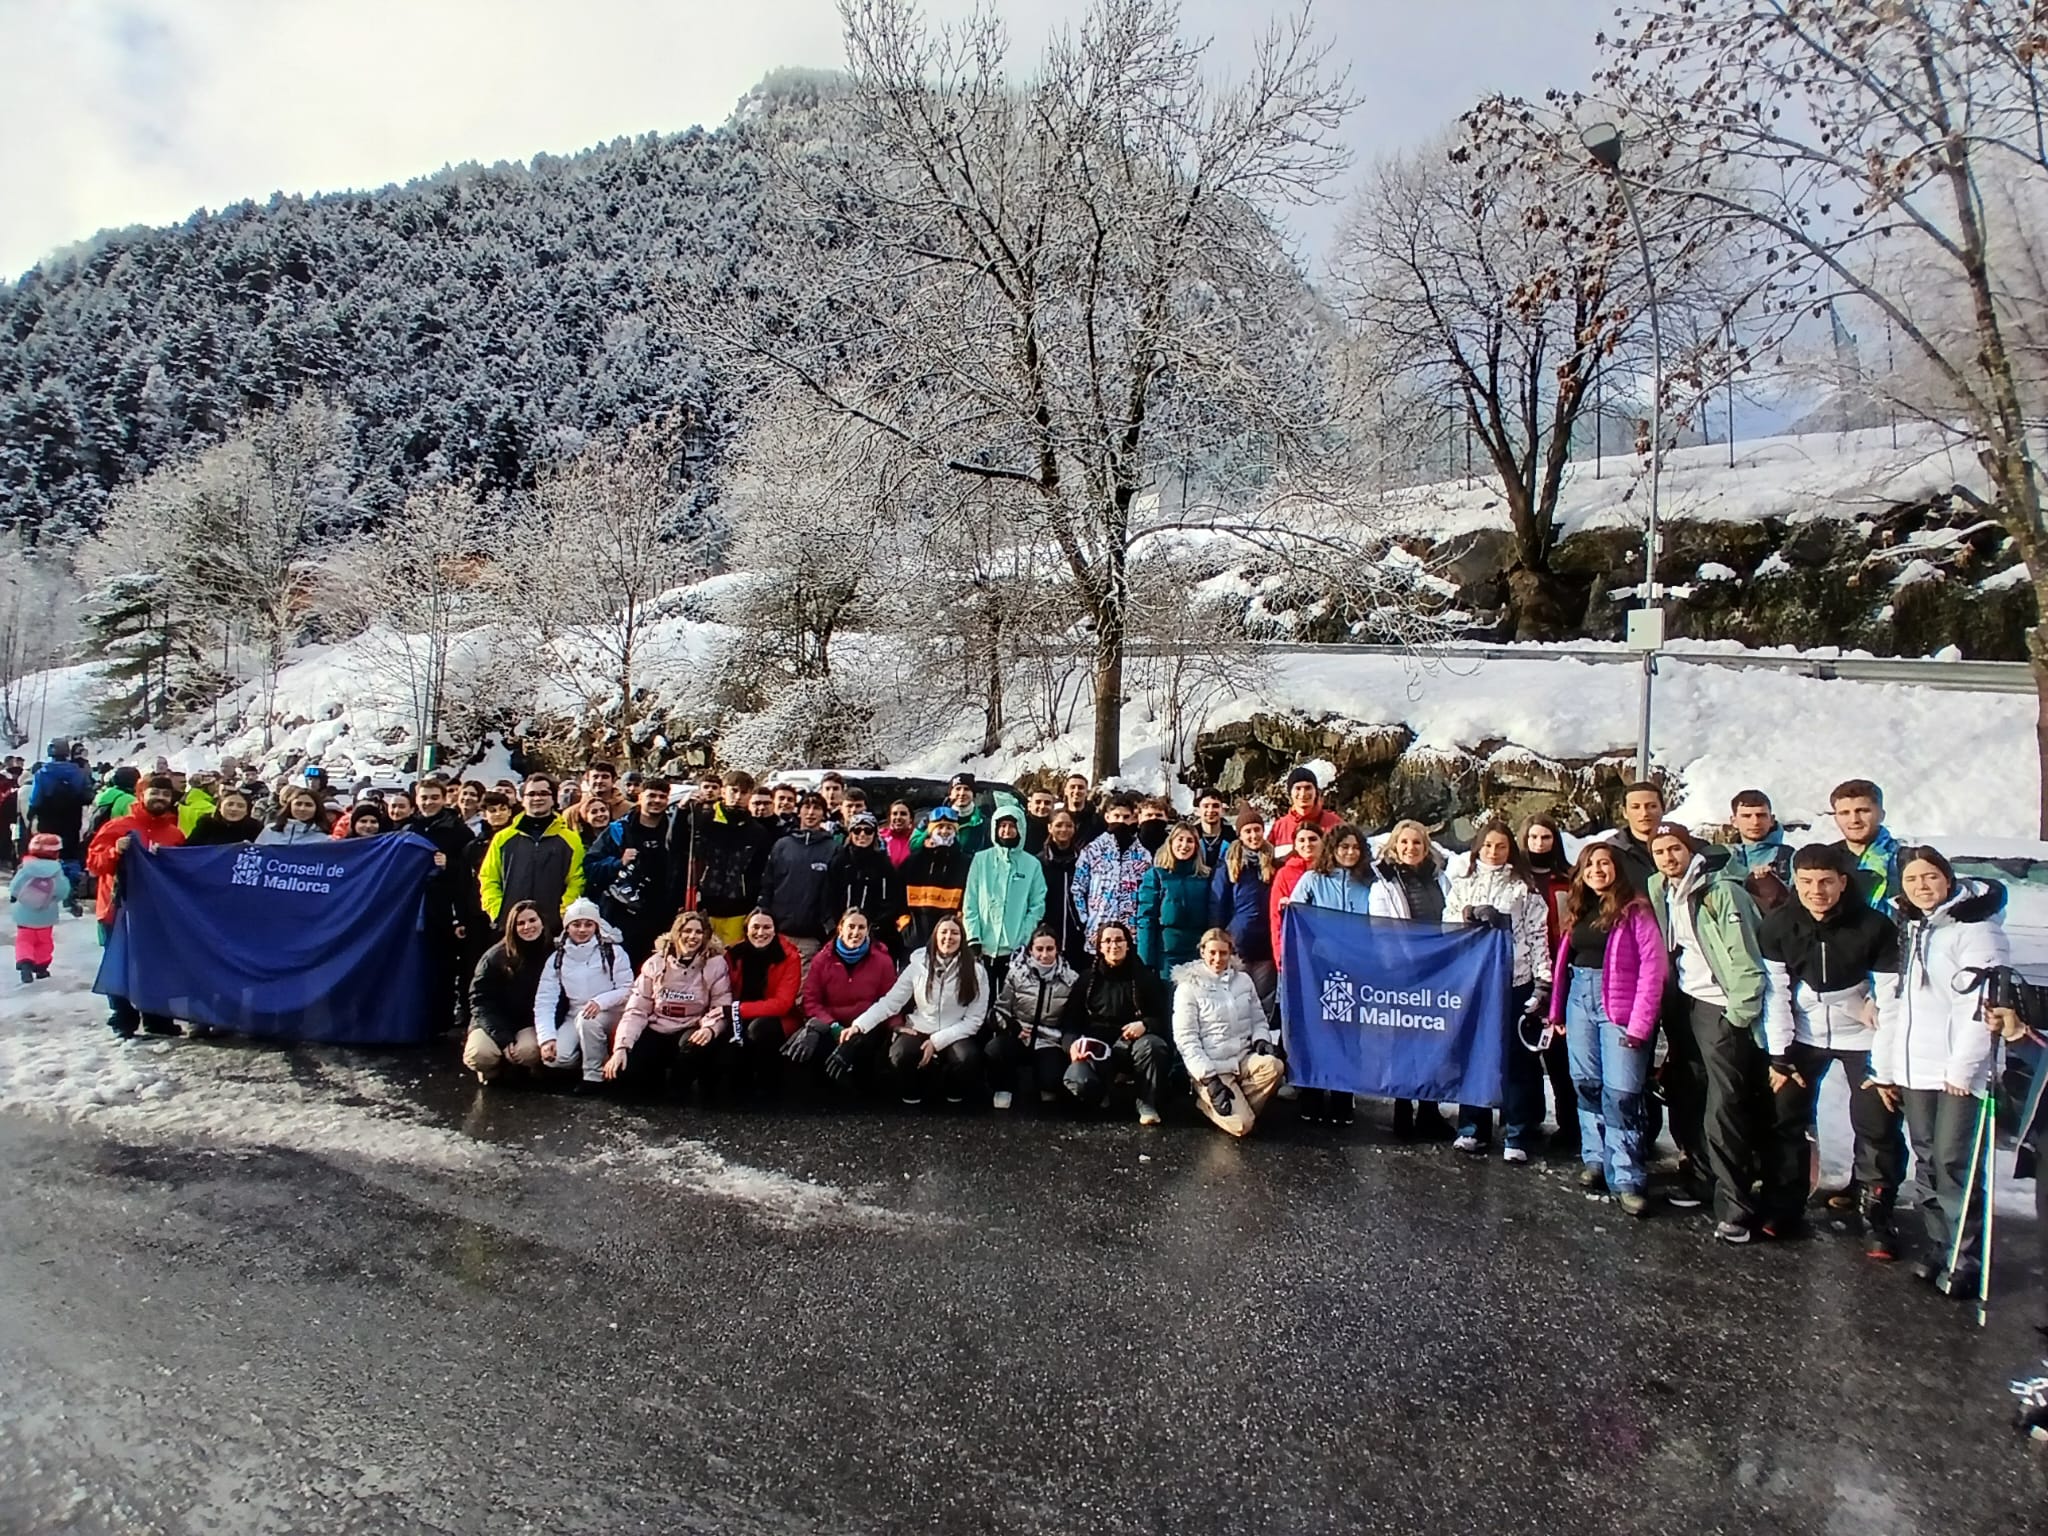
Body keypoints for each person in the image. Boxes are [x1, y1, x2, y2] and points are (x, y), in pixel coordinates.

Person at [1757, 843, 1908, 1253]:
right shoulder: (1778, 925)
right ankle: (1784, 1206)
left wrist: (1885, 1072)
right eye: (1806, 882)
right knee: (1786, 1117)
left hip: (1863, 1034)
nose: (1816, 891)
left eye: (1825, 882)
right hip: (1804, 1034)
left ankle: (1877, 1214)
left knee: (1877, 1122)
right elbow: (1776, 993)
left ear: (1843, 882)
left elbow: (1892, 999)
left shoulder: (1874, 926)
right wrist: (1780, 1057)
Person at [1872, 845, 2007, 1292]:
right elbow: (1897, 1005)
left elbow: (1981, 1007)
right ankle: (1939, 1244)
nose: (1922, 886)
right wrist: (1887, 1067)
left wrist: (1963, 1069)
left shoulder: (1976, 930)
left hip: (1957, 1071)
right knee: (1927, 1159)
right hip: (1916, 1067)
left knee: (1954, 1162)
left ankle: (1965, 1255)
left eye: (1930, 877)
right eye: (1912, 879)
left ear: (1948, 879)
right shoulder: (1911, 928)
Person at [1647, 823, 1772, 1243]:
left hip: (1720, 1005)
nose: (1668, 858)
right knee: (1690, 1092)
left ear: (1691, 850)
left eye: (1675, 849)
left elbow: (1746, 957)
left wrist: (1739, 1015)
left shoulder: (1722, 892)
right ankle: (1701, 1178)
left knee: (1725, 1105)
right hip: (1685, 1002)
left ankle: (1736, 1204)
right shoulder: (1663, 889)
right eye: (1660, 851)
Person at [1547, 842, 1669, 1216]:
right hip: (1579, 1001)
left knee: (1622, 1093)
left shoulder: (1635, 910)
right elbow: (1565, 962)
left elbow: (1653, 969)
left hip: (1620, 1007)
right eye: (1590, 865)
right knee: (1587, 1085)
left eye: (1604, 863)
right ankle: (1596, 1159)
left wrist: (1641, 1022)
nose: (1597, 870)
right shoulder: (1579, 908)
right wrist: (1557, 1011)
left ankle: (1627, 1177)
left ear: (1617, 869)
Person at [1446, 823, 1553, 1160]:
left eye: (1501, 846)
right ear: (1478, 848)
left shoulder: (1524, 888)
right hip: (1474, 981)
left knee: (1516, 1059)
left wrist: (1543, 981)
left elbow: (1537, 936)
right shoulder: (1463, 883)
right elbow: (1446, 924)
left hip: (1514, 981)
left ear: (1511, 849)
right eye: (1488, 845)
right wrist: (1466, 915)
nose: (1494, 852)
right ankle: (1472, 1127)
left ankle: (1516, 1132)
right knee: (1474, 1055)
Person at [844, 913, 989, 1106]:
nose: (948, 937)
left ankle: (953, 1090)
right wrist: (859, 1025)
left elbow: (975, 1020)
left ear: (962, 938)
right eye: (944, 932)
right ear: (935, 936)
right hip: (920, 1027)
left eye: (954, 933)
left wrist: (936, 1042)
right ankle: (914, 1090)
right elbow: (890, 1003)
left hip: (955, 1032)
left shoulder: (976, 971)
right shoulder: (917, 966)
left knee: (967, 1058)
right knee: (901, 1054)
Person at [84, 773, 186, 1038]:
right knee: (119, 963)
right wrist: (115, 851)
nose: (160, 798)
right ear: (142, 794)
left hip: (156, 911)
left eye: (165, 794)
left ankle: (157, 1017)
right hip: (117, 908)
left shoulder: (174, 834)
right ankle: (123, 1017)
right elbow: (94, 864)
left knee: (157, 964)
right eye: (155, 793)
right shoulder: (118, 826)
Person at [1376, 820, 1454, 1140]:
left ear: (1426, 847)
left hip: (1438, 971)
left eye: (1417, 843)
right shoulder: (1384, 884)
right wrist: (1398, 967)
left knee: (1433, 1041)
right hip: (1404, 974)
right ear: (1395, 846)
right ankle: (1402, 1110)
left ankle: (1429, 1111)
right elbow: (1382, 932)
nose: (1411, 848)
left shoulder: (1440, 879)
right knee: (1404, 1044)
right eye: (1404, 842)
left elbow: (1453, 916)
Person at [1174, 928, 1287, 1138]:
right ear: (1202, 952)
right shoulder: (1188, 988)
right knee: (1242, 1126)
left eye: (1223, 953)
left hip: (1242, 1058)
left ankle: (1237, 1101)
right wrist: (1209, 1078)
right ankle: (1206, 1101)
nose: (1218, 959)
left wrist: (1261, 1040)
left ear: (1230, 953)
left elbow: (1258, 1018)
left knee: (1274, 1066)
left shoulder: (1243, 980)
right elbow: (1186, 1039)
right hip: (1214, 1067)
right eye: (1212, 953)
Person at [1058, 921, 1173, 1126]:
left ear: (1128, 944)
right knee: (1077, 1081)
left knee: (1153, 1046)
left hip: (1132, 1045)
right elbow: (1070, 1022)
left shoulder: (1145, 978)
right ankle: (1101, 1095)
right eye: (1108, 941)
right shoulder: (1086, 979)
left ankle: (1147, 1103)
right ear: (1100, 947)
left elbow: (1163, 1019)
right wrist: (1072, 1045)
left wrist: (1145, 1025)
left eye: (1119, 940)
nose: (1114, 945)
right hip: (1096, 1049)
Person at [607, 910, 732, 1099]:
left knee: (695, 1049)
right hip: (657, 1026)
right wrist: (621, 1048)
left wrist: (710, 1028)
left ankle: (679, 1087)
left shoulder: (715, 964)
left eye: (698, 932)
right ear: (676, 934)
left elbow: (720, 1005)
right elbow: (636, 1010)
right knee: (623, 1072)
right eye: (687, 931)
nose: (692, 936)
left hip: (691, 1026)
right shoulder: (655, 963)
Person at [1520, 814, 1579, 1149]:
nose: (1539, 844)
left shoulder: (1567, 879)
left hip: (1562, 971)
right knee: (1525, 1052)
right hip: (1524, 972)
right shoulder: (1518, 876)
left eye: (1546, 837)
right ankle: (1527, 1118)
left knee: (1560, 1054)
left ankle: (1569, 1123)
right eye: (1534, 838)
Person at [790, 909, 900, 1088]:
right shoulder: (822, 959)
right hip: (832, 1023)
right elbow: (811, 1000)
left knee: (864, 1061)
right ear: (840, 928)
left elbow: (890, 1000)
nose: (856, 932)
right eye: (851, 926)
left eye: (861, 927)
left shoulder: (882, 960)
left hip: (866, 1025)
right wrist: (833, 1026)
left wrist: (896, 1027)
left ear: (868, 930)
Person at [403, 774, 476, 1031]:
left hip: (444, 908)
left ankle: (440, 1020)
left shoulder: (459, 831)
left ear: (445, 799)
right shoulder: (408, 829)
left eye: (435, 797)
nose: (429, 802)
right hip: (412, 906)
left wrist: (450, 865)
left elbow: (472, 871)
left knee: (443, 965)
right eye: (424, 798)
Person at [583, 777, 675, 967]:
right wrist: (618, 863)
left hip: (663, 916)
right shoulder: (618, 830)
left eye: (662, 797)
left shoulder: (674, 831)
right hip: (623, 915)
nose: (657, 801)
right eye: (651, 796)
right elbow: (591, 866)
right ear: (640, 797)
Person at [478, 775, 584, 935]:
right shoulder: (503, 838)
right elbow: (488, 878)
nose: (537, 798)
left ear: (554, 798)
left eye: (543, 793)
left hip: (553, 928)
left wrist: (562, 914)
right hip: (511, 926)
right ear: (523, 799)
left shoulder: (570, 839)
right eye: (531, 794)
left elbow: (577, 881)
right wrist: (499, 912)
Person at [985, 927, 1077, 1109]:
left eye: (1050, 949)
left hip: (1049, 1040)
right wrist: (1012, 1027)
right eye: (1039, 949)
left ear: (1058, 949)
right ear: (1030, 950)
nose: (1044, 955)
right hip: (1019, 1036)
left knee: (1052, 1081)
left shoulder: (1071, 979)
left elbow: (1072, 1019)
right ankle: (1004, 1087)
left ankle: (1044, 1083)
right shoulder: (1016, 974)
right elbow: (999, 1010)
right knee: (995, 1049)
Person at [462, 902, 550, 1084]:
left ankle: (527, 1067)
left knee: (529, 1051)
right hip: (494, 1022)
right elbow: (480, 1001)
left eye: (532, 920)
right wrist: (503, 1038)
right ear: (511, 927)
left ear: (542, 922)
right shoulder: (494, 957)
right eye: (520, 923)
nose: (527, 927)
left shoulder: (553, 953)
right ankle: (492, 1068)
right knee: (480, 1054)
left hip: (529, 1023)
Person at [686, 771, 776, 948]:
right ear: (723, 791)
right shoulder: (704, 821)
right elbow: (677, 848)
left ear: (750, 795)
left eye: (744, 792)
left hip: (738, 909)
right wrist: (682, 811)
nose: (738, 797)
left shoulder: (757, 831)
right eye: (733, 791)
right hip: (704, 905)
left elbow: (760, 871)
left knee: (731, 958)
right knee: (702, 953)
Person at [963, 808, 1047, 990]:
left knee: (1010, 996)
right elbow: (970, 900)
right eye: (1002, 826)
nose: (1007, 831)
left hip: (1015, 947)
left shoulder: (1032, 864)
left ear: (1020, 829)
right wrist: (973, 937)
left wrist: (1024, 938)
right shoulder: (981, 860)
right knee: (981, 995)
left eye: (1011, 826)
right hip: (983, 945)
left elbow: (1037, 905)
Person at [724, 909, 806, 1097]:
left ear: (775, 930)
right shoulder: (733, 954)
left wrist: (737, 1010)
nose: (761, 933)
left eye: (767, 927)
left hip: (778, 1017)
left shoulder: (789, 956)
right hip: (737, 1011)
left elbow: (782, 1004)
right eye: (756, 927)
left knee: (760, 1029)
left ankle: (769, 1084)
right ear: (746, 930)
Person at [1211, 808, 1277, 1015]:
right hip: (1238, 943)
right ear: (1240, 835)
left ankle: (1264, 1034)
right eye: (1248, 831)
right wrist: (1219, 936)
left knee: (1264, 1000)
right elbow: (1217, 904)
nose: (1253, 835)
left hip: (1266, 945)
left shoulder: (1273, 864)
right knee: (1236, 1000)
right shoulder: (1228, 866)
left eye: (1257, 830)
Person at [760, 792, 838, 966]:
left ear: (824, 814)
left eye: (816, 808)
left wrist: (828, 927)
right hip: (778, 933)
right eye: (806, 807)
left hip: (811, 937)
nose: (811, 813)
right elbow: (768, 885)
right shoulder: (782, 845)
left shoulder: (833, 848)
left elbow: (834, 893)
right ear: (799, 811)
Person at [1071, 793, 1151, 954]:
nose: (1121, 821)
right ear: (1107, 817)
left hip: (1130, 932)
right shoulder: (1092, 850)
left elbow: (1148, 893)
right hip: (1098, 930)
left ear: (1133, 819)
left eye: (1126, 817)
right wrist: (1085, 919)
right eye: (1116, 816)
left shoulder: (1143, 855)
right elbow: (1078, 888)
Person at [822, 813, 905, 958]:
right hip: (840, 933)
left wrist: (874, 928)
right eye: (857, 830)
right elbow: (827, 897)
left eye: (868, 831)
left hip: (875, 935)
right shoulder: (839, 862)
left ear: (874, 834)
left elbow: (892, 901)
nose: (862, 835)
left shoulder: (884, 865)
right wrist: (833, 927)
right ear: (850, 833)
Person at [1134, 823, 1211, 980]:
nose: (1184, 845)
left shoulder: (1206, 877)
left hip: (1199, 952)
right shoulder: (1156, 875)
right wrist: (1145, 960)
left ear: (1196, 846)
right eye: (1180, 839)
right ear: (1171, 843)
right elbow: (1146, 918)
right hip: (1167, 953)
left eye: (1190, 841)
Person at [900, 806, 974, 952]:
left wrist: (959, 926)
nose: (944, 831)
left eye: (949, 827)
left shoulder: (965, 863)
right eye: (940, 827)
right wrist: (904, 926)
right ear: (930, 831)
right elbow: (897, 897)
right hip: (914, 941)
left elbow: (970, 900)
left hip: (949, 941)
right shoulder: (913, 862)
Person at [26, 738, 92, 894]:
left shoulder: (42, 773)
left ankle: (46, 884)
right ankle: (71, 886)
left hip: (48, 819)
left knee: (47, 850)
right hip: (72, 817)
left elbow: (35, 798)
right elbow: (88, 795)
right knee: (70, 851)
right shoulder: (78, 772)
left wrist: (31, 813)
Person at [1828, 778, 1902, 909]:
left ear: (1881, 815)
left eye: (1862, 811)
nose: (1854, 820)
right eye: (1845, 813)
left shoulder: (1904, 859)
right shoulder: (1825, 859)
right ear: (1836, 819)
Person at [9, 831, 69, 983]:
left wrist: (18, 897)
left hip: (24, 913)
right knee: (44, 941)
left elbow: (14, 887)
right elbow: (63, 890)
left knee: (24, 940)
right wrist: (54, 899)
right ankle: (41, 967)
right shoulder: (56, 870)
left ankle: (25, 962)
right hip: (46, 914)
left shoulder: (26, 867)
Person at [1037, 808, 1091, 973]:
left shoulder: (1084, 861)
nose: (1064, 829)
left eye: (1068, 825)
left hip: (1078, 934)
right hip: (1048, 935)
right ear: (1050, 827)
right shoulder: (1039, 863)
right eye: (1059, 825)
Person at [1724, 788, 1794, 912]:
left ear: (1771, 820)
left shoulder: (1789, 857)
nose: (1755, 822)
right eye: (1746, 816)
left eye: (1761, 815)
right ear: (1734, 821)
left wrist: (1773, 885)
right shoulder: (1723, 856)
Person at [1598, 781, 1666, 890]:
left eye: (1651, 806)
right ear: (1624, 812)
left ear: (1663, 809)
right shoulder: (1610, 852)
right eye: (1636, 807)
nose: (1644, 813)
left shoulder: (1686, 847)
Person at [914, 773, 989, 855]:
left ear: (973, 794)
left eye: (966, 789)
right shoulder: (929, 818)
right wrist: (931, 828)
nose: (962, 793)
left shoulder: (984, 823)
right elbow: (913, 846)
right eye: (958, 789)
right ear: (950, 794)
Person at [1270, 766, 1341, 848]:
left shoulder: (1335, 823)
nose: (1303, 793)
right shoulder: (1279, 827)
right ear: (1290, 793)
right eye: (1298, 788)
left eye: (1308, 788)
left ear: (1316, 792)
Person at [183, 788, 261, 845]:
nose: (234, 809)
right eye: (230, 804)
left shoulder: (255, 828)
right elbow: (189, 849)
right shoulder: (206, 824)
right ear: (220, 807)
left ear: (247, 811)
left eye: (240, 806)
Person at [258, 786, 330, 844]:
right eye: (298, 804)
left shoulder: (324, 840)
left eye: (308, 805)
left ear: (317, 809)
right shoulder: (269, 831)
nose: (302, 808)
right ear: (290, 806)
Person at [1191, 788, 1234, 868]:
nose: (1210, 810)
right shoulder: (1190, 838)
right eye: (1206, 806)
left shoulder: (1233, 839)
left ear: (1222, 809)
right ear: (1198, 810)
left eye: (1215, 806)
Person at [1060, 773, 1103, 846]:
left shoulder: (1098, 821)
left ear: (1087, 792)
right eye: (1072, 787)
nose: (1076, 791)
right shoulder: (1057, 818)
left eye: (1080, 788)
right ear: (1066, 791)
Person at [880, 800, 916, 867]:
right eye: (895, 814)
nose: (898, 817)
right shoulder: (880, 836)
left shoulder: (916, 838)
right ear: (890, 817)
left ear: (910, 818)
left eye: (903, 814)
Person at [1022, 787, 1057, 855]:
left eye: (1047, 803)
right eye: (1038, 802)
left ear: (1053, 807)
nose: (1042, 806)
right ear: (1029, 806)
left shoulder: (1057, 827)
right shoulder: (1020, 825)